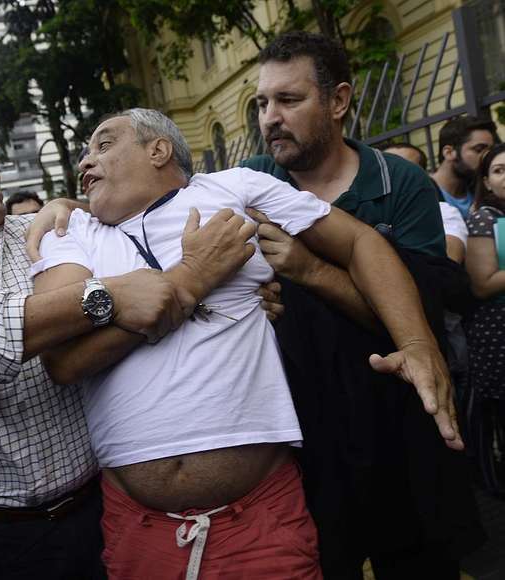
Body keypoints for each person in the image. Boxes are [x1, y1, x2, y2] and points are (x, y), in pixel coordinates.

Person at [31, 107, 458, 580]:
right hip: (140, 528)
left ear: (159, 149)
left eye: (104, 144)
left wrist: (417, 342)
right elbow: (63, 361)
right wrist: (190, 283)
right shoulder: (72, 234)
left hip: (262, 518)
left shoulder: (232, 188)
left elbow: (360, 243)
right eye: (85, 154)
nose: (86, 163)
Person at [0, 115, 249, 579]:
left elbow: (156, 257)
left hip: (114, 500)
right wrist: (102, 297)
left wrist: (232, 296)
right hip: (3, 533)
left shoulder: (48, 230)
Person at [238, 31, 484, 579]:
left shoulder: (402, 185)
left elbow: (413, 321)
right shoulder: (247, 183)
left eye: (289, 100)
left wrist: (310, 270)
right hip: (302, 440)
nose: (270, 117)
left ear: (340, 101)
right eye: (262, 102)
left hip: (400, 433)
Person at [465, 143, 505, 491]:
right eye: (499, 170)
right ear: (487, 182)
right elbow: (482, 284)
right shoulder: (485, 218)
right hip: (499, 336)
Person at [431, 116, 498, 217]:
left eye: (490, 151)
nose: (486, 156)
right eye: (479, 150)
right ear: (449, 152)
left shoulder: (483, 189)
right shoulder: (423, 192)